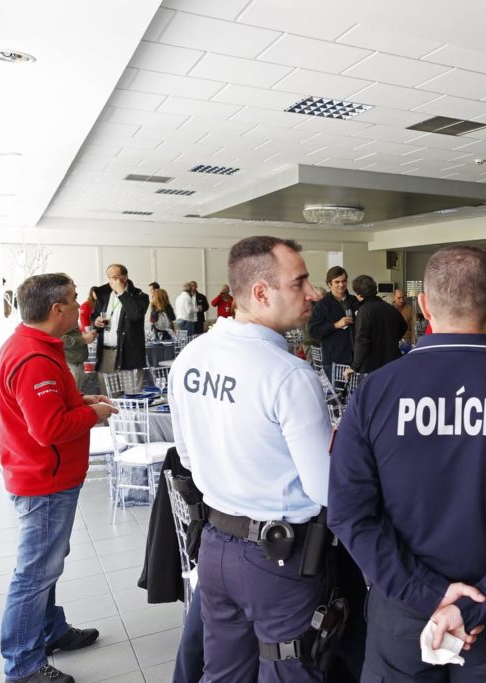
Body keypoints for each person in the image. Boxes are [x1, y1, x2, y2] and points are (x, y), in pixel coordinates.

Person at [329, 245, 486, 682]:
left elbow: (350, 513)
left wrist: (428, 595)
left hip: (403, 613)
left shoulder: (374, 392)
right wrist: (473, 603)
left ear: (423, 306)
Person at [168, 236, 331, 682]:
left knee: (224, 672)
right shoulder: (288, 375)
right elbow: (325, 489)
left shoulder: (190, 357)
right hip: (277, 559)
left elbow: (185, 454)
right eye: (299, 283)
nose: (312, 293)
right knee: (287, 669)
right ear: (261, 293)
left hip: (216, 548)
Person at [0, 273, 117, 683]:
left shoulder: (28, 345)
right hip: (44, 481)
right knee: (34, 574)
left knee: (47, 564)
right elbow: (47, 429)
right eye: (74, 298)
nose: (79, 303)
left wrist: (78, 400)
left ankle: (51, 630)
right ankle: (24, 666)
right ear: (56, 309)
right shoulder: (35, 358)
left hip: (39, 474)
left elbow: (38, 408)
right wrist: (93, 415)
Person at [92, 264, 148, 393]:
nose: (112, 281)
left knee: (132, 396)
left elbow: (135, 315)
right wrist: (96, 321)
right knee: (109, 397)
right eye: (109, 277)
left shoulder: (140, 296)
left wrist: (122, 293)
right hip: (107, 352)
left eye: (115, 277)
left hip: (129, 352)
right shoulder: (104, 295)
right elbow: (94, 316)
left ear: (125, 277)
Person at [350, 274, 407, 374]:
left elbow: (362, 339)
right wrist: (390, 339)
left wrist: (355, 366)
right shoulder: (389, 308)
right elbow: (403, 326)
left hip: (372, 365)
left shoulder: (364, 311)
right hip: (392, 360)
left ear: (359, 294)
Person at [307, 266, 358, 379]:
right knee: (339, 396)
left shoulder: (354, 301)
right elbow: (313, 331)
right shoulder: (322, 305)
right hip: (334, 360)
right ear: (329, 284)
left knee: (357, 395)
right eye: (337, 282)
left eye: (344, 281)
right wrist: (335, 325)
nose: (341, 285)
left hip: (356, 360)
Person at [61, 324, 97, 391]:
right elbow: (60, 338)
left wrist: (83, 335)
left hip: (74, 362)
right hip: (71, 364)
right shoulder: (59, 316)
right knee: (73, 395)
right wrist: (83, 339)